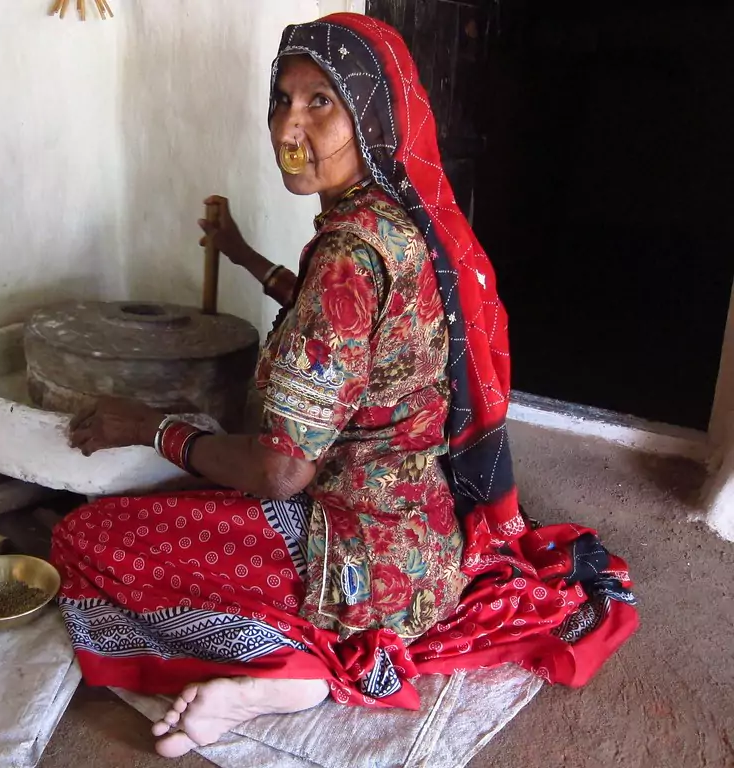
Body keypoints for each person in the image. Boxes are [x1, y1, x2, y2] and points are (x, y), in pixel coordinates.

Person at [54, 12, 638, 759]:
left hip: (351, 554)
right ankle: (311, 650)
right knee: (189, 494)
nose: (290, 125)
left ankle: (300, 668)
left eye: (320, 101)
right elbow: (336, 330)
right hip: (427, 544)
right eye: (282, 100)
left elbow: (281, 470)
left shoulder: (347, 255)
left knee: (89, 540)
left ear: (371, 115)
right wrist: (241, 255)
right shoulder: (396, 221)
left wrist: (148, 426)